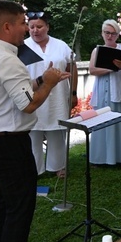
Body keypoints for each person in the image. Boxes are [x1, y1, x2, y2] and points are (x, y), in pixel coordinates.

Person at [0, 0, 69, 242]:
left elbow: (16, 90)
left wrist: (41, 77)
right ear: (6, 26)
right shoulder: (6, 59)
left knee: (3, 199)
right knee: (20, 204)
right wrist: (50, 84)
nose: (26, 29)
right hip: (9, 144)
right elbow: (28, 104)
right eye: (21, 23)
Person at [24, 10, 78, 177]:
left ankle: (58, 166)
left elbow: (72, 68)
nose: (35, 30)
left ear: (47, 27)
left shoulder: (60, 45)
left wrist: (73, 92)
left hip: (58, 96)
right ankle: (35, 169)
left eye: (39, 26)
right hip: (34, 95)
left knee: (57, 131)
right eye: (31, 27)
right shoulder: (22, 46)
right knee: (33, 133)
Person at [88, 20, 121, 166]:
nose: (109, 36)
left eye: (113, 33)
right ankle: (101, 158)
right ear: (102, 33)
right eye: (107, 33)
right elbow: (92, 70)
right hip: (103, 89)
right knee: (102, 122)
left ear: (117, 35)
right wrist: (111, 69)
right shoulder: (97, 50)